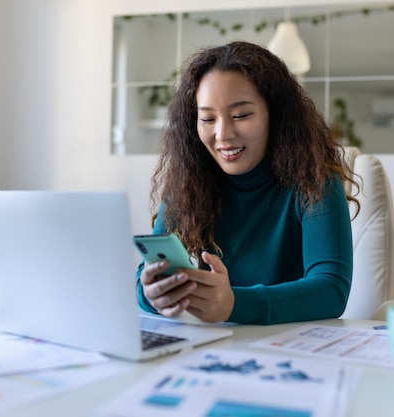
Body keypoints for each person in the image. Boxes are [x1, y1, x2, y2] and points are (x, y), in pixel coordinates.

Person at [136, 41, 360, 325]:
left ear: (275, 115)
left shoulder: (315, 180)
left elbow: (331, 290)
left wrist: (234, 303)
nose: (223, 134)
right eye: (207, 118)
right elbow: (147, 276)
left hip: (292, 345)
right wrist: (152, 294)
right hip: (215, 346)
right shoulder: (189, 180)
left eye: (241, 115)